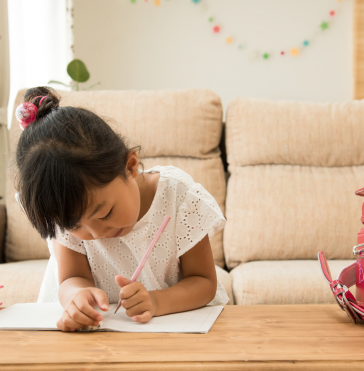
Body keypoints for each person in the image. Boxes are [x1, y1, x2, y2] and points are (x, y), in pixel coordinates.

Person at [14, 86, 229, 332]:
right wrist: (77, 296)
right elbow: (71, 279)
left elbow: (203, 282)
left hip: (175, 329)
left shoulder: (177, 196)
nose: (95, 234)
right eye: (75, 226)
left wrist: (157, 301)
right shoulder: (62, 213)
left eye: (104, 214)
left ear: (130, 165)